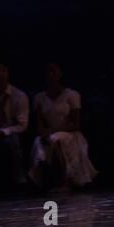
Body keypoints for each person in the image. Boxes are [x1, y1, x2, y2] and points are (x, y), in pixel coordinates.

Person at [29, 63, 97, 191]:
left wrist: (52, 130)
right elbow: (39, 125)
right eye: (48, 72)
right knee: (39, 142)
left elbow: (76, 124)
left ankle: (64, 181)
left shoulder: (71, 95)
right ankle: (46, 181)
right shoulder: (39, 98)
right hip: (48, 132)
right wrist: (44, 132)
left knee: (56, 139)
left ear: (60, 74)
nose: (51, 75)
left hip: (70, 133)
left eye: (54, 71)